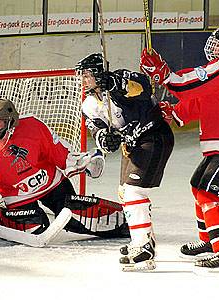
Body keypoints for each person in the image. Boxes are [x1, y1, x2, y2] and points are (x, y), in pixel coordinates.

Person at [140, 27, 219, 273]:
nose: (213, 47)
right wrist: (173, 112)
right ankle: (209, 240)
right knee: (199, 187)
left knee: (208, 194)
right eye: (213, 42)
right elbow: (202, 100)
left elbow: (187, 84)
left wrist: (163, 73)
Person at [0, 98, 130, 241]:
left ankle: (129, 219)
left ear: (11, 121)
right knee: (34, 226)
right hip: (18, 195)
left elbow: (56, 150)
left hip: (52, 183)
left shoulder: (33, 126)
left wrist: (80, 162)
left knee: (75, 214)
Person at [75, 53, 174, 271]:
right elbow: (97, 130)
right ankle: (145, 238)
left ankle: (142, 245)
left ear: (99, 73)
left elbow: (143, 88)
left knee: (133, 192)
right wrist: (105, 139)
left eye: (87, 75)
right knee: (124, 192)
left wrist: (116, 83)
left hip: (153, 136)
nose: (82, 80)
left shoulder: (119, 79)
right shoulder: (89, 104)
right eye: (81, 76)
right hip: (131, 146)